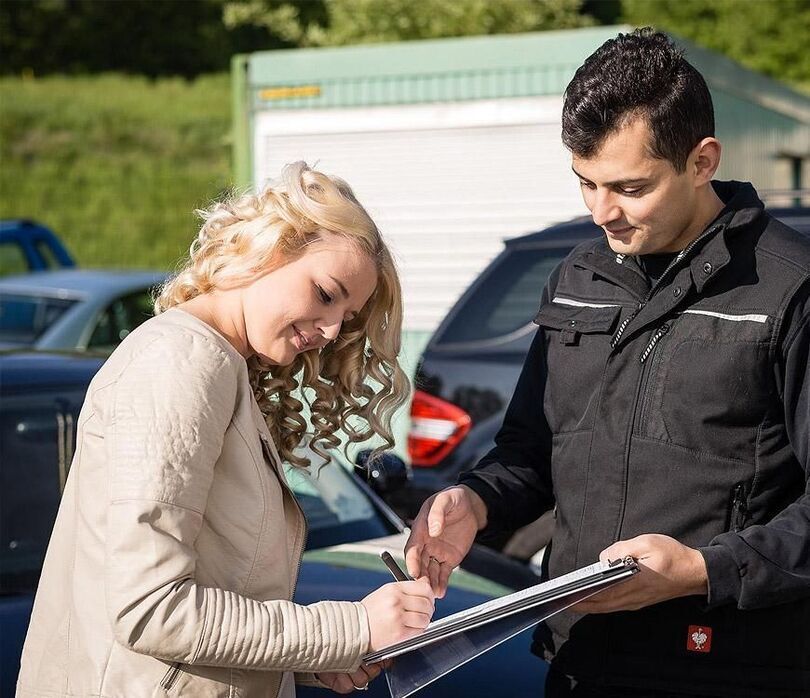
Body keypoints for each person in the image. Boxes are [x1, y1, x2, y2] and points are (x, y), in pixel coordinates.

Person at [405, 28, 810, 697]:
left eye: (629, 187)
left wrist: (702, 570)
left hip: (730, 668)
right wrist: (473, 501)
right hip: (579, 661)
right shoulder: (576, 278)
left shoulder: (791, 288)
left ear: (702, 160)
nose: (602, 212)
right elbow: (530, 450)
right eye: (585, 182)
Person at [17, 162, 436, 698]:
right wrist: (351, 627)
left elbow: (206, 602)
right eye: (326, 294)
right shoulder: (182, 360)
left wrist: (316, 659)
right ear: (270, 248)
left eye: (347, 318)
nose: (331, 331)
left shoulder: (221, 365)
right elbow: (151, 610)